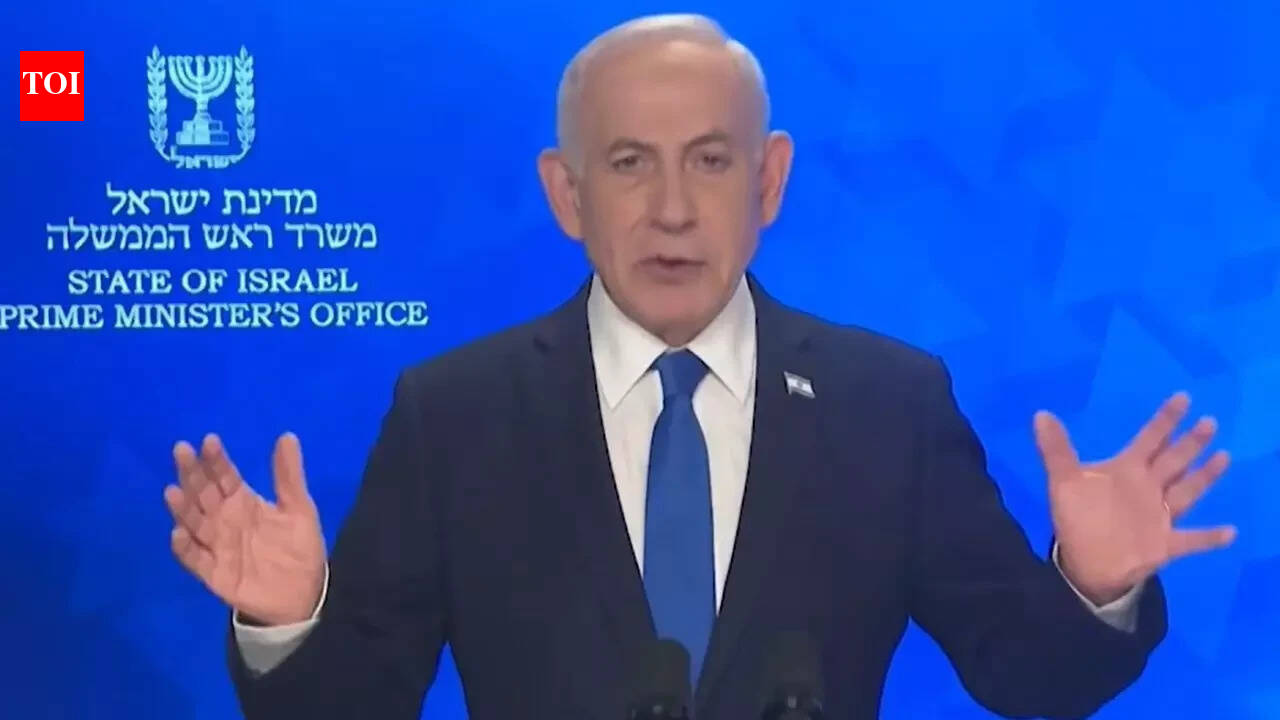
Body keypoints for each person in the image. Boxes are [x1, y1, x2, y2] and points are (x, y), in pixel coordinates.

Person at [164, 13, 1238, 720]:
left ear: (768, 182)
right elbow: (354, 704)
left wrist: (1095, 585)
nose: (672, 209)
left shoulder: (887, 404)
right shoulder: (454, 414)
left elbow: (1028, 674)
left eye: (710, 161)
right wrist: (289, 620)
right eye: (629, 163)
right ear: (566, 193)